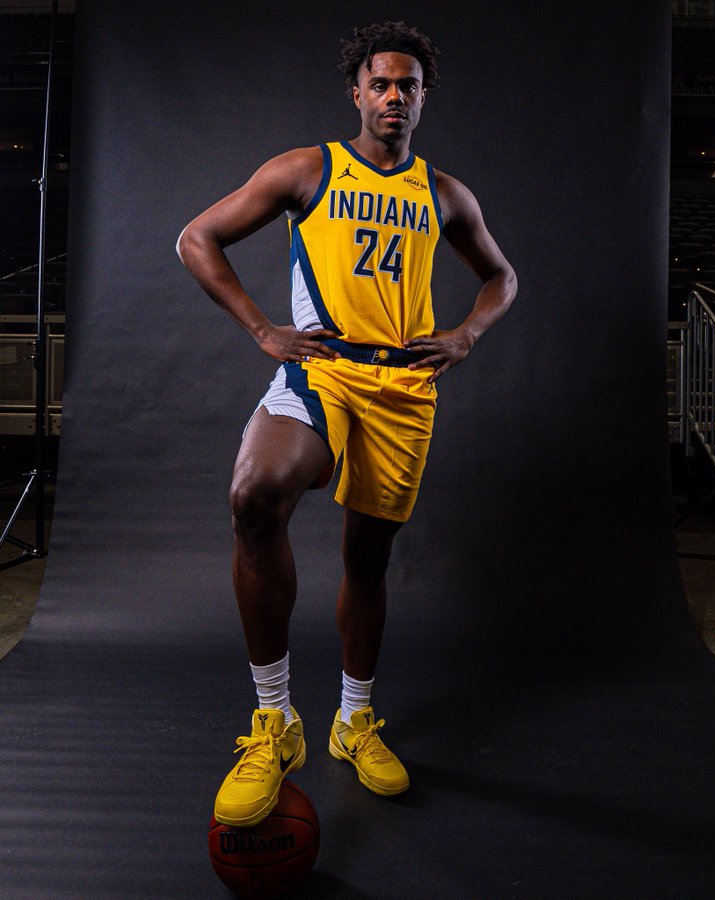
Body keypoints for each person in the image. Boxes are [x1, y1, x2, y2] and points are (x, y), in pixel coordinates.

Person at [177, 21, 516, 827]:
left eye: (409, 86)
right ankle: (275, 723)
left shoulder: (444, 193)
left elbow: (501, 278)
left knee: (367, 557)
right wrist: (264, 330)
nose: (395, 96)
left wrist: (466, 334)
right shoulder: (309, 169)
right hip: (323, 369)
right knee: (255, 495)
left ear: (423, 99)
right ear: (357, 92)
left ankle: (352, 722)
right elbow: (197, 238)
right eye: (382, 83)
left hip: (403, 388)